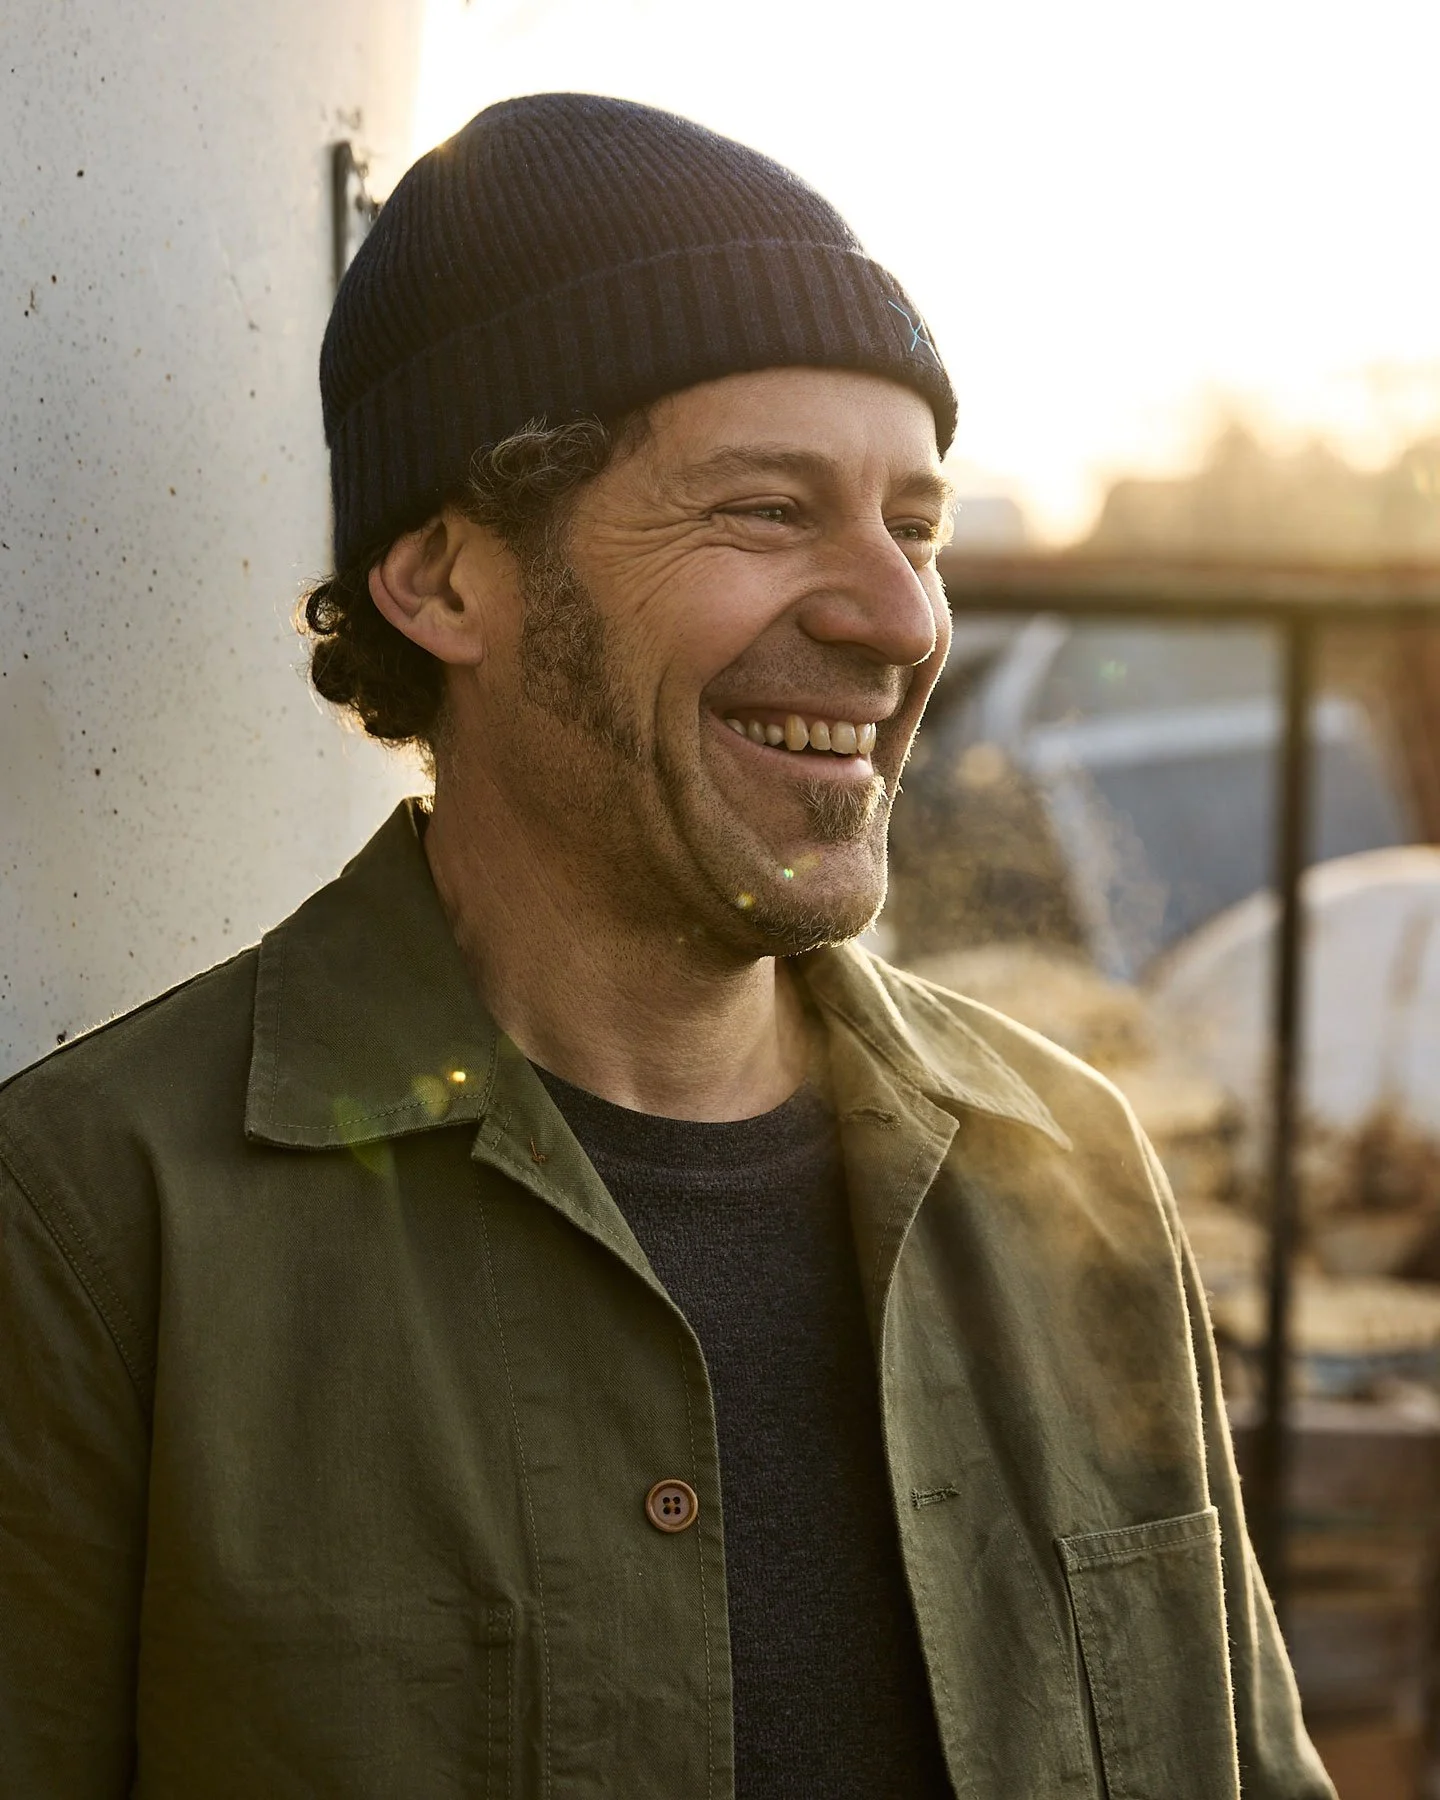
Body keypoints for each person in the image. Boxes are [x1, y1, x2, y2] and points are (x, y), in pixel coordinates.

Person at [0, 93, 1332, 1799]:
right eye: (768, 510)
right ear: (445, 579)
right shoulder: (96, 1229)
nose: (899, 615)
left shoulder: (1066, 1165)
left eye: (913, 527)